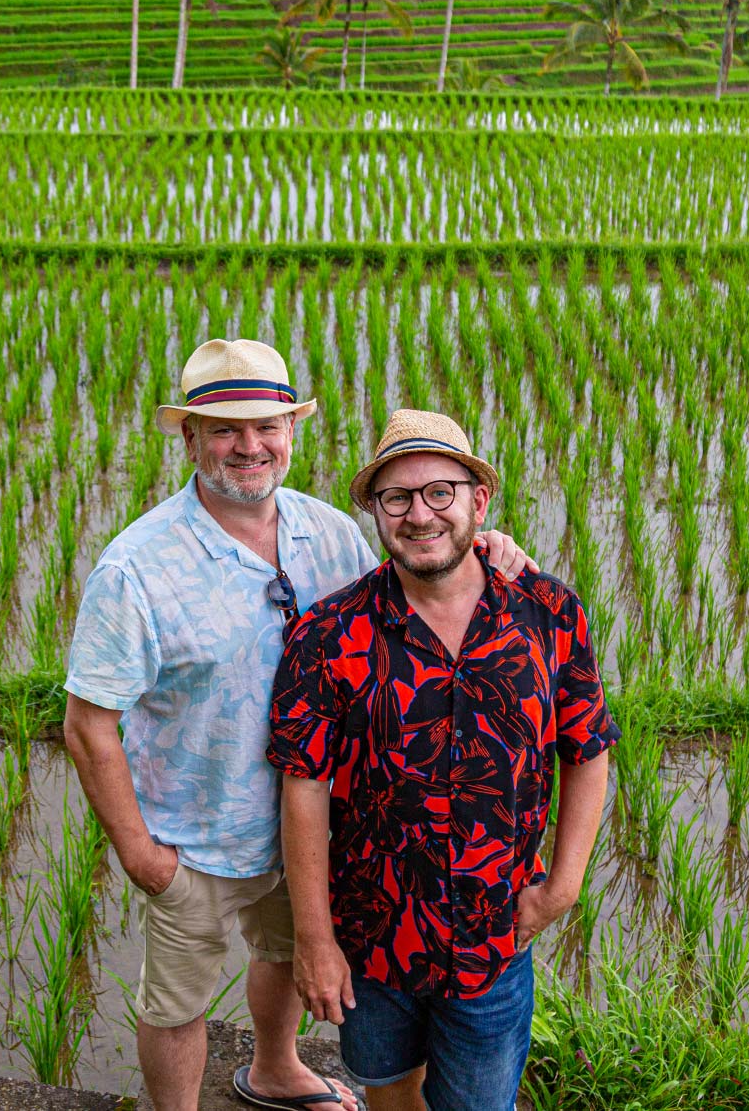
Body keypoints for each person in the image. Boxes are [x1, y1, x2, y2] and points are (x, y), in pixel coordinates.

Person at [63, 344, 536, 1111]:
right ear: (190, 439)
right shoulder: (137, 568)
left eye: (267, 424)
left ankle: (275, 1066)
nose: (249, 445)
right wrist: (144, 855)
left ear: (292, 430)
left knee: (286, 954)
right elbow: (89, 725)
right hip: (196, 836)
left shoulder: (331, 533)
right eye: (224, 428)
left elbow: (415, 578)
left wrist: (485, 546)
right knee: (177, 1004)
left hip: (317, 827)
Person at [269, 409, 618, 1111]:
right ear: (375, 510)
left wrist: (564, 885)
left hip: (495, 936)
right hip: (374, 938)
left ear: (477, 500)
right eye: (396, 497)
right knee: (387, 1082)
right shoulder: (329, 633)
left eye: (439, 492)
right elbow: (301, 786)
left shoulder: (549, 612)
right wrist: (315, 939)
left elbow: (588, 750)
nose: (419, 513)